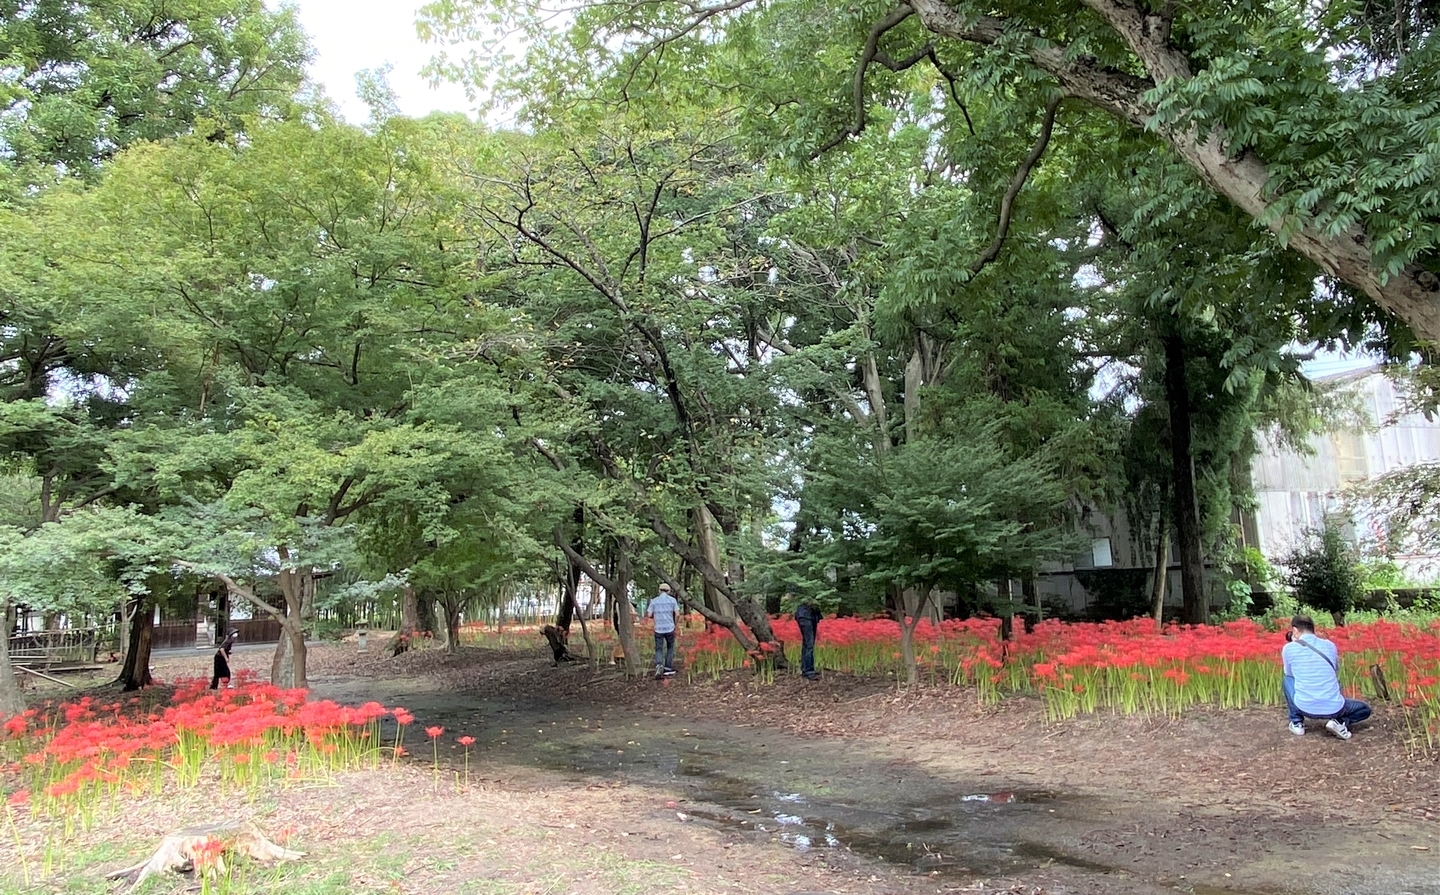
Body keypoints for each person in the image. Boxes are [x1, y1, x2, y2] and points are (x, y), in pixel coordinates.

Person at [1281, 614, 1371, 739]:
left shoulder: (1289, 648)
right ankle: (1339, 722)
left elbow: (1289, 674)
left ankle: (1297, 723)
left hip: (1304, 707)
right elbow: (1334, 669)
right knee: (1364, 709)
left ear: (1295, 630)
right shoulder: (1330, 645)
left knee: (1287, 679)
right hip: (1335, 708)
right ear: (1313, 629)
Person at [646, 583, 680, 679]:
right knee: (670, 647)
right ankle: (668, 668)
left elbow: (649, 615)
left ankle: (659, 665)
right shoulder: (672, 600)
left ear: (659, 590)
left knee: (659, 649)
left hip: (658, 628)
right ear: (668, 591)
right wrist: (675, 623)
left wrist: (656, 616)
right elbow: (677, 614)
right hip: (670, 627)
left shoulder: (654, 601)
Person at [795, 600, 821, 680]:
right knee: (809, 644)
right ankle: (808, 671)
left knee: (807, 644)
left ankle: (806, 668)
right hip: (805, 615)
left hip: (812, 615)